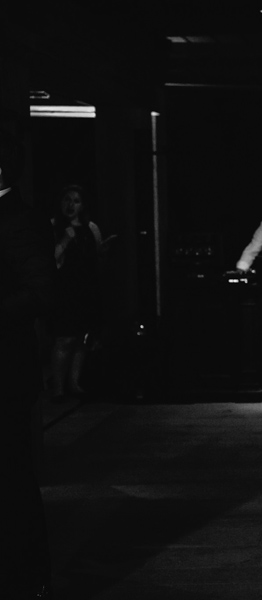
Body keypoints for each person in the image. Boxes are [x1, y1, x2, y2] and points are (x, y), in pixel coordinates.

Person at [0, 130, 55, 598]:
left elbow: (40, 293)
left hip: (6, 372)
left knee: (13, 476)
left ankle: (28, 578)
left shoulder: (17, 220)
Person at [48, 184, 113, 401]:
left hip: (87, 290)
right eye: (67, 199)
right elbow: (51, 260)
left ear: (83, 205)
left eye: (76, 201)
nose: (70, 205)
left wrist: (102, 251)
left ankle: (74, 383)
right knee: (64, 338)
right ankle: (57, 387)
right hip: (66, 291)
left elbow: (96, 259)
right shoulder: (55, 227)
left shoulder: (91, 228)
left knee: (82, 340)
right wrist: (66, 240)